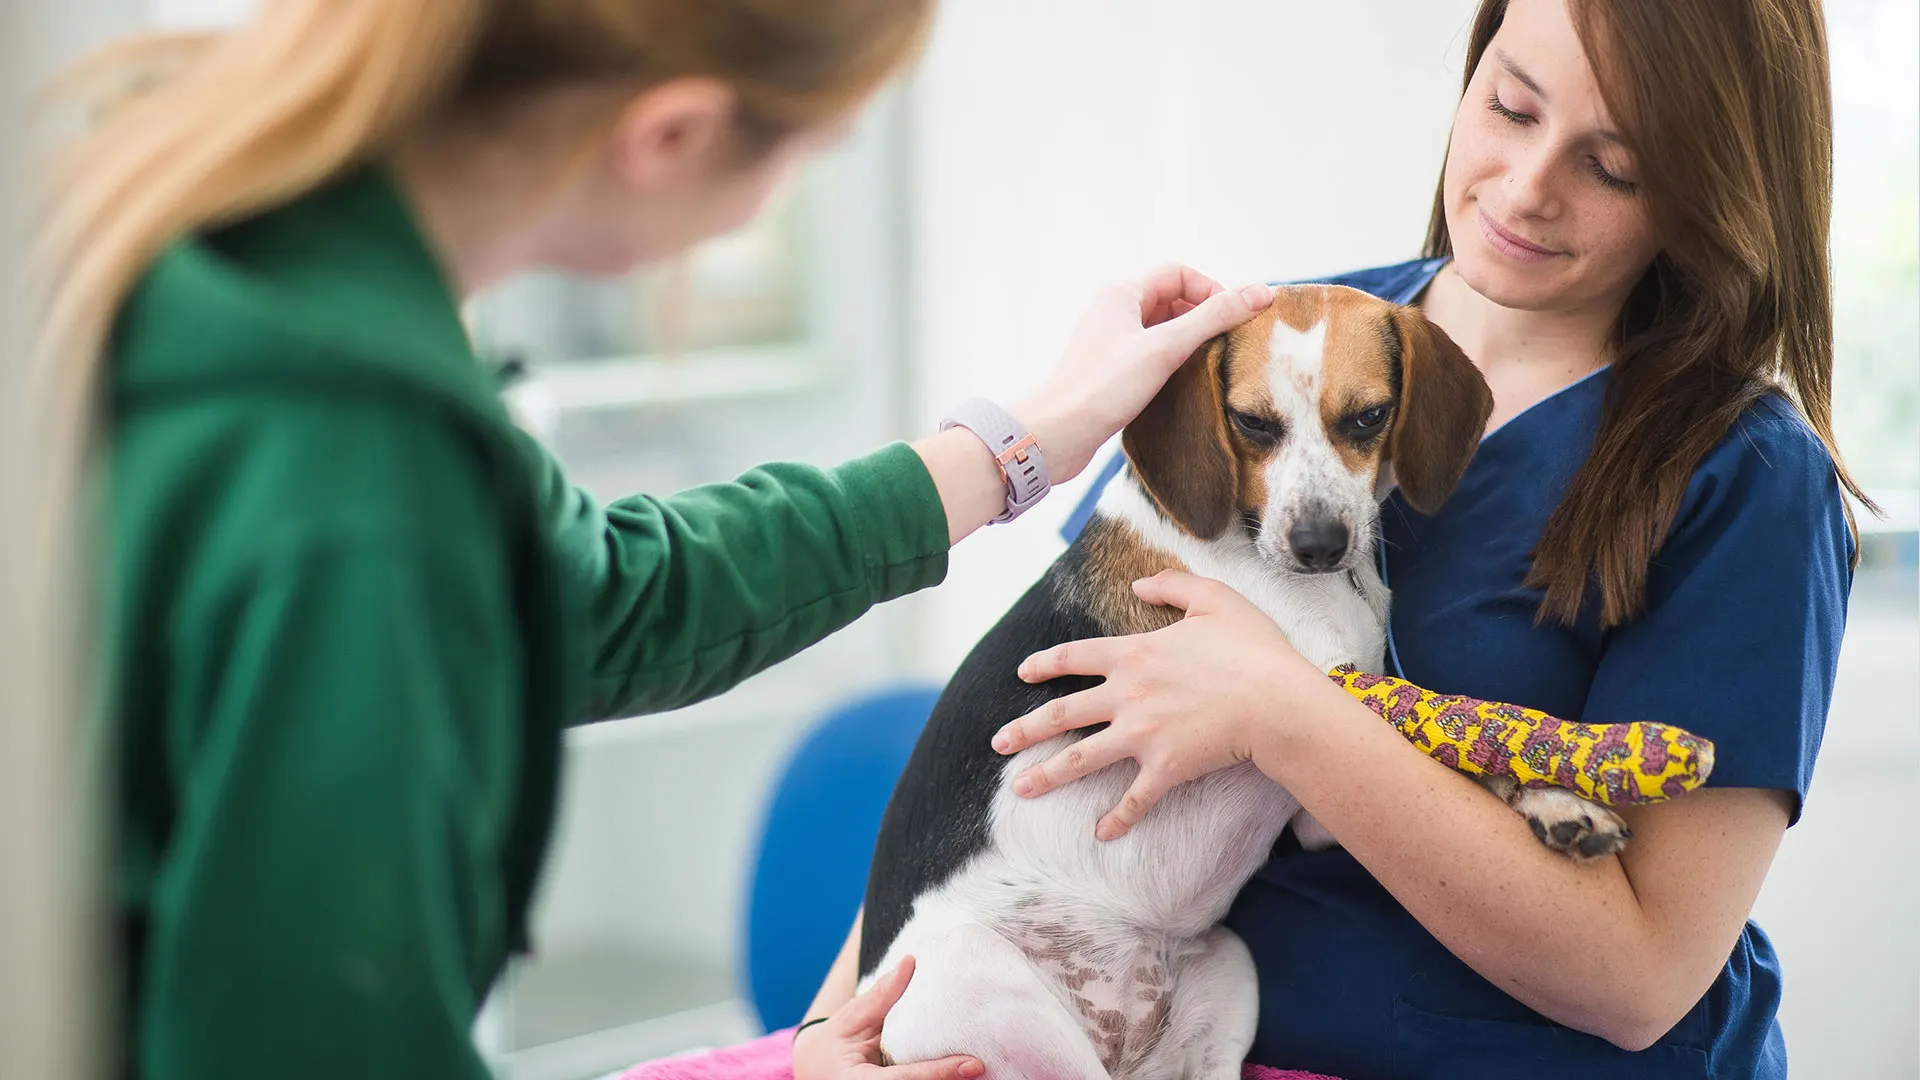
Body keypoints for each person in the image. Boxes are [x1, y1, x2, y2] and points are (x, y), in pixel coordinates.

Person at [28, 2, 1279, 1077]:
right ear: (667, 135)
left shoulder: (210, 231)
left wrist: (1021, 442)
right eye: (802, 155)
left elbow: (599, 593)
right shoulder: (363, 478)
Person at [799, 1, 1861, 1077]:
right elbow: (1007, 734)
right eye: (1510, 104)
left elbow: (1642, 981)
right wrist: (832, 1032)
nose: (1529, 185)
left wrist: (1282, 716)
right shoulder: (1283, 352)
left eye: (1615, 165)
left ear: (1712, 188)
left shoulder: (1746, 476)